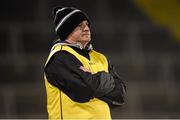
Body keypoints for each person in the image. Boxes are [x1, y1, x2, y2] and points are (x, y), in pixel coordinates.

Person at [44, 6, 126, 119]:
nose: (86, 28)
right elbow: (83, 92)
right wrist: (106, 80)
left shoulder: (100, 57)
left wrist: (92, 79)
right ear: (66, 29)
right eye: (80, 26)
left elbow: (120, 95)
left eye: (87, 24)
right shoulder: (60, 56)